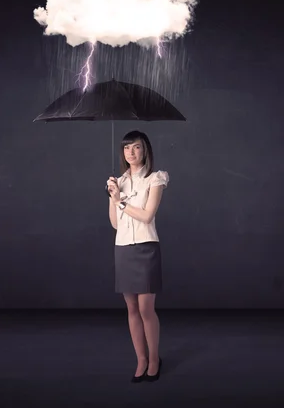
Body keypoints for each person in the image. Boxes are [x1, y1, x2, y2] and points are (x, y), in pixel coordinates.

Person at [106, 130, 169, 383]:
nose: (131, 153)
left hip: (145, 248)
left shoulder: (155, 179)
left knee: (145, 308)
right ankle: (141, 359)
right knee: (131, 308)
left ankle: (154, 359)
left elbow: (147, 216)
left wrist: (121, 202)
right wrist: (113, 197)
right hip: (123, 248)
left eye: (136, 147)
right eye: (126, 148)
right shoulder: (118, 181)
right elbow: (114, 224)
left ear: (146, 150)